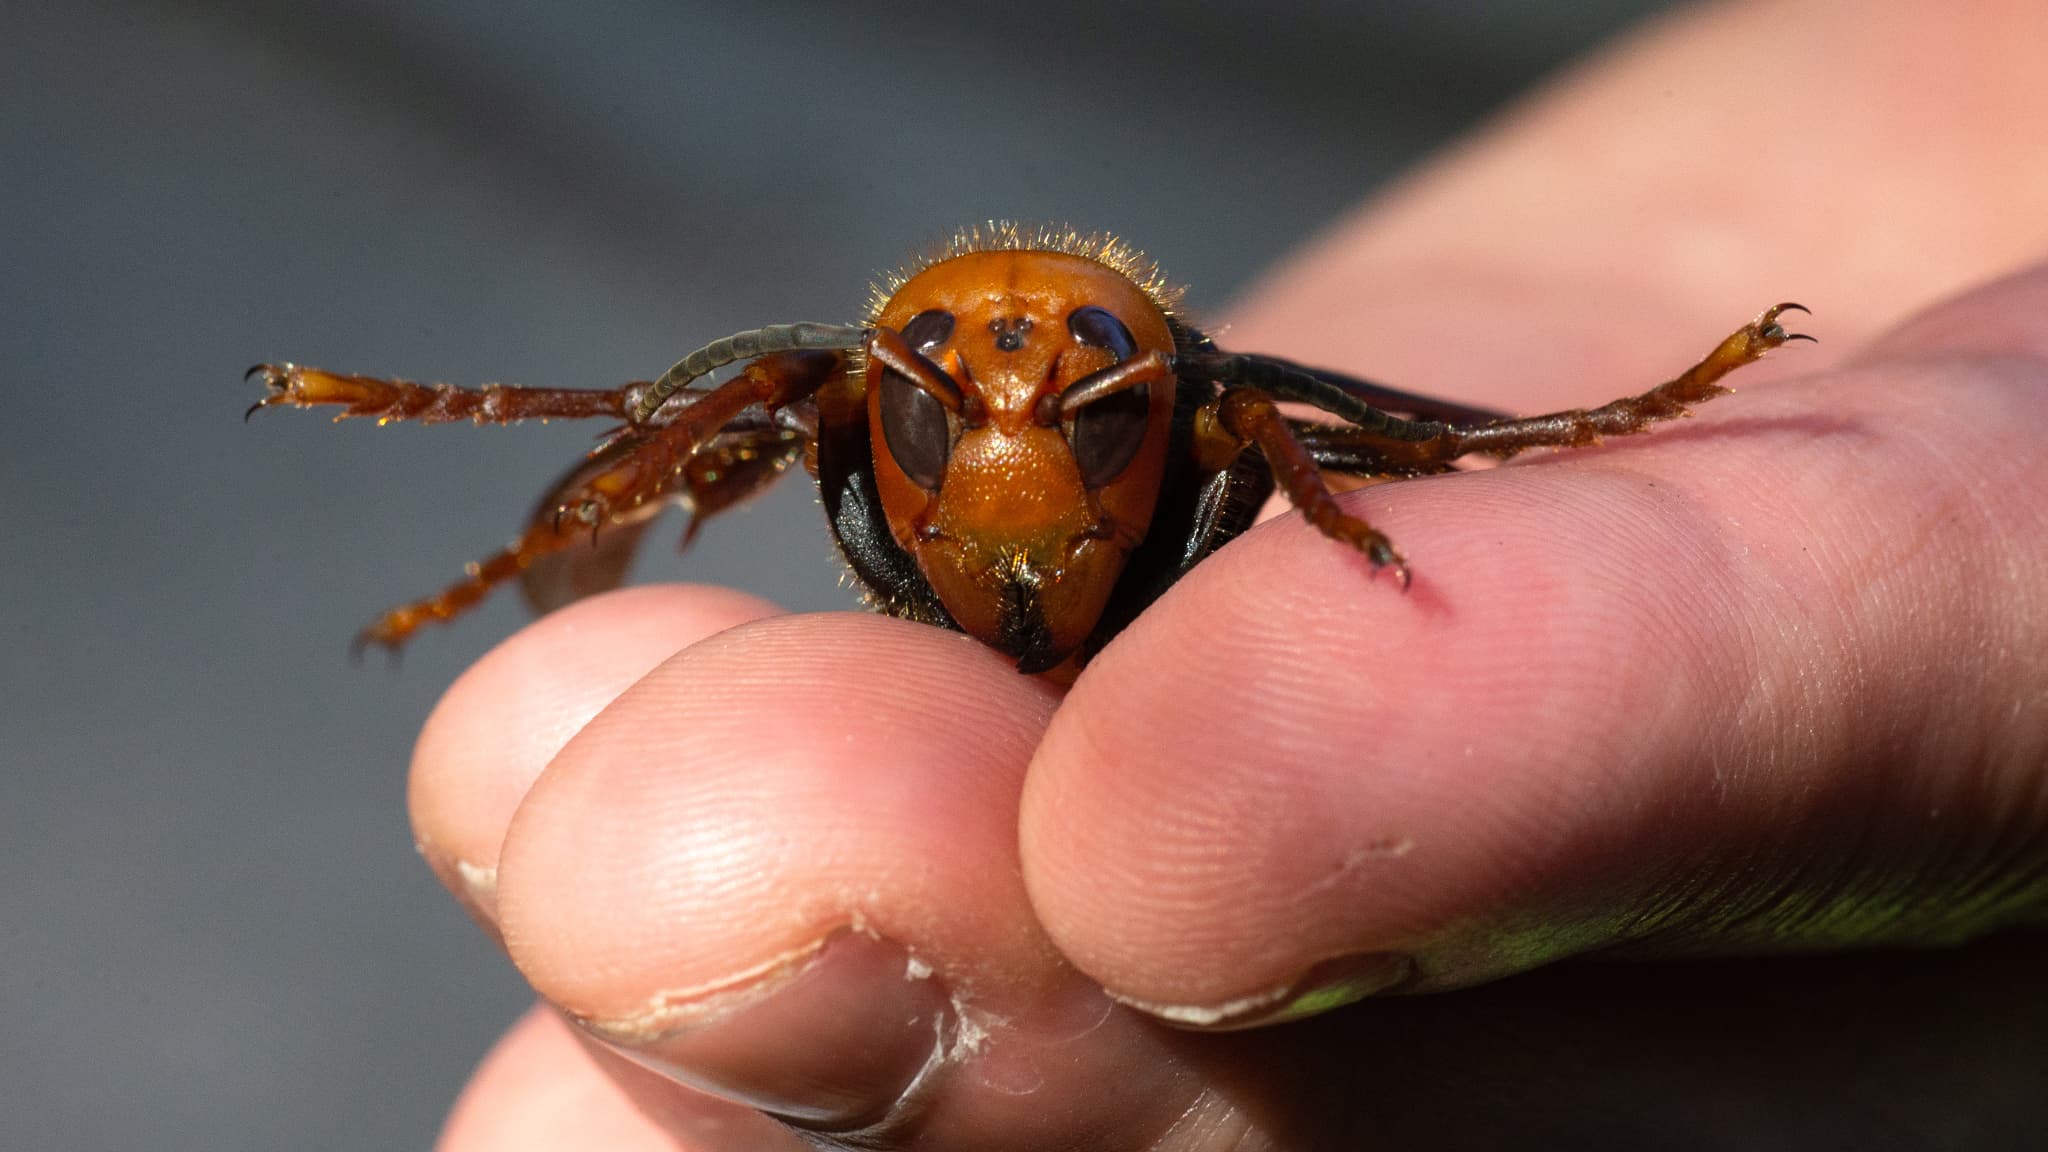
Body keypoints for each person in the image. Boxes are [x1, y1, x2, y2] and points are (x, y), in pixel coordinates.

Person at [411, 1, 2048, 1147]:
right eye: (948, 391)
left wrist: (1607, 429)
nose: (1011, 437)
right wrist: (507, 447)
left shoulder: (1220, 410)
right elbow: (690, 421)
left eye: (1079, 388)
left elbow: (1415, 432)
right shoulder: (832, 395)